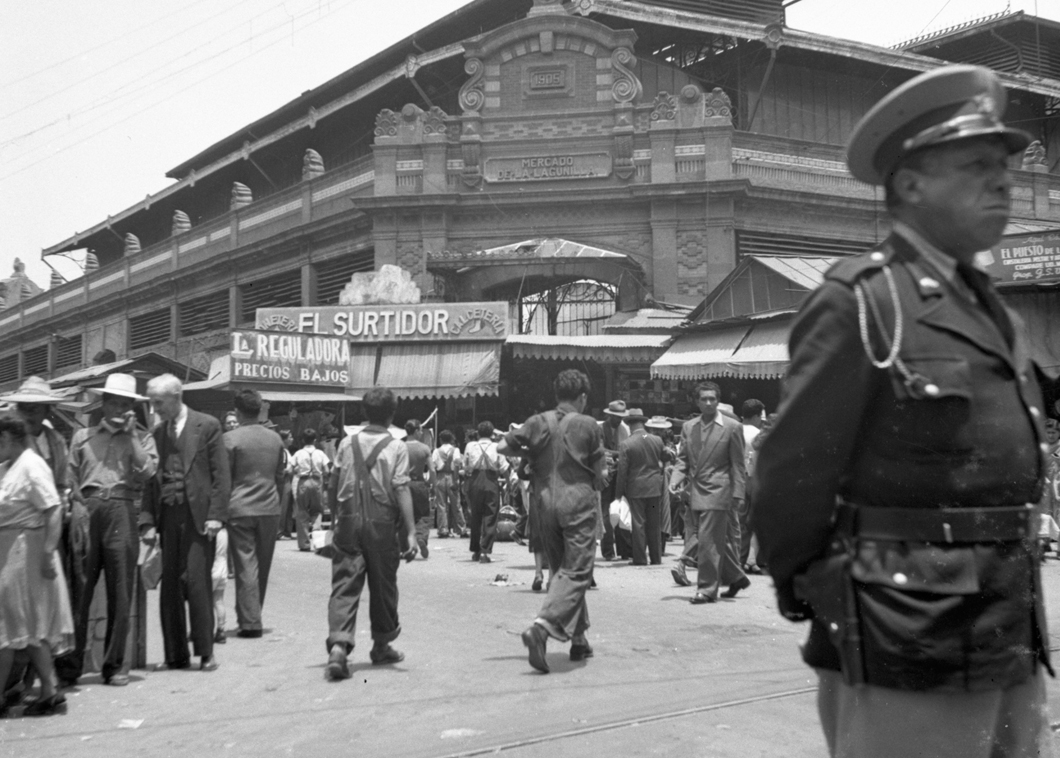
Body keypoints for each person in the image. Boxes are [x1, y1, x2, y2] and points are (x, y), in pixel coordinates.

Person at [753, 65, 1054, 758]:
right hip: (906, 630)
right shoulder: (864, 301)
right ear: (911, 184)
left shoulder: (989, 308)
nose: (1003, 180)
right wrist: (815, 588)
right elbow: (791, 470)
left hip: (1009, 621)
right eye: (977, 164)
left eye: (1004, 164)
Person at [500, 369, 606, 674]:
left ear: (557, 393)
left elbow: (503, 447)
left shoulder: (536, 421)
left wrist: (532, 453)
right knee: (577, 571)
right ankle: (543, 627)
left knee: (561, 573)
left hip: (543, 503)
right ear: (583, 397)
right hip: (578, 504)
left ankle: (579, 638)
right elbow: (600, 477)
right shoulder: (588, 425)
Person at [65, 373, 158, 687]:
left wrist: (131, 437)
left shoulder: (143, 438)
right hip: (87, 509)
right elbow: (70, 479)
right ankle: (69, 667)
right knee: (81, 590)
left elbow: (147, 473)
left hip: (122, 510)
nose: (119, 408)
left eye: (125, 403)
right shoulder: (82, 437)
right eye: (114, 402)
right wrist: (77, 506)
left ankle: (115, 666)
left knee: (121, 592)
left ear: (133, 407)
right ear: (103, 404)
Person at [325, 387, 417, 679]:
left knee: (344, 585)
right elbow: (401, 487)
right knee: (384, 586)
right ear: (392, 415)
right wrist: (411, 532)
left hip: (348, 522)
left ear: (364, 413)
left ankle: (339, 647)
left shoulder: (345, 443)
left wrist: (334, 519)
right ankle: (381, 646)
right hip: (382, 524)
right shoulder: (397, 446)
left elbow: (333, 483)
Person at [141, 374, 230, 673]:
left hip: (199, 519)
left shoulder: (207, 426)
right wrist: (148, 521)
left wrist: (216, 514)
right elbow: (151, 482)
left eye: (159, 403)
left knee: (197, 584)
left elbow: (221, 475)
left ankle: (206, 653)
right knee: (169, 590)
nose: (155, 409)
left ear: (176, 396)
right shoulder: (156, 434)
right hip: (168, 516)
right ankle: (175, 654)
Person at [4, 378, 77, 684]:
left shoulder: (54, 442)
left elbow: (63, 482)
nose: (31, 415)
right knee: (20, 616)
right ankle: (23, 682)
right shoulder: (9, 446)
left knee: (40, 612)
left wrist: (66, 499)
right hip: (17, 540)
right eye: (26, 409)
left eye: (37, 409)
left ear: (47, 410)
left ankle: (48, 679)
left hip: (43, 534)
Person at [669, 382, 747, 604]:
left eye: (713, 398)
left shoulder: (732, 427)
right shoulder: (689, 427)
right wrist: (675, 480)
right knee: (713, 539)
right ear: (697, 402)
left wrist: (738, 493)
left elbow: (738, 465)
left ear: (718, 400)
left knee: (707, 540)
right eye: (704, 399)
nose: (709, 402)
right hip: (695, 490)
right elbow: (683, 458)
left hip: (719, 490)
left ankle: (707, 589)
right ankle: (737, 577)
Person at [223, 389, 286, 638]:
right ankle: (252, 614)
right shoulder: (275, 439)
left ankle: (250, 622)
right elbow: (280, 477)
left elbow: (225, 480)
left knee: (245, 564)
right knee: (263, 564)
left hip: (240, 508)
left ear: (237, 412)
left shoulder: (230, 439)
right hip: (270, 508)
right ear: (260, 410)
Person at [614, 409, 670, 566]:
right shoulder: (656, 440)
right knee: (654, 523)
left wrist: (618, 494)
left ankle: (640, 559)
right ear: (643, 423)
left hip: (636, 488)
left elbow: (622, 472)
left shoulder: (626, 444)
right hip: (654, 487)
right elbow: (665, 456)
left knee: (638, 524)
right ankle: (656, 558)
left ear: (631, 425)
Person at [463, 421, 509, 564]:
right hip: (491, 481)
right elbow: (503, 467)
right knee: (490, 516)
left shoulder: (470, 446)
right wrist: (508, 482)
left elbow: (466, 466)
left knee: (475, 515)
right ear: (492, 434)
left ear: (478, 433)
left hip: (475, 480)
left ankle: (476, 551)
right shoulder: (497, 447)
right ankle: (485, 551)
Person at [597, 400, 630, 561]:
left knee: (621, 510)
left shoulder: (624, 429)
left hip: (620, 474)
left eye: (621, 417)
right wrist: (619, 454)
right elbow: (600, 450)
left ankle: (623, 549)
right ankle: (608, 550)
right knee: (605, 512)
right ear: (609, 415)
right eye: (616, 417)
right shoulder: (600, 429)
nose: (619, 420)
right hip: (606, 474)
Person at [290, 429, 330, 552]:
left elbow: (291, 470)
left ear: (302, 440)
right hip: (317, 482)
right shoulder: (320, 453)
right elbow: (327, 471)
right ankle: (317, 539)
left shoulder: (298, 453)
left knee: (302, 511)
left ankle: (304, 544)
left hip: (303, 482)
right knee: (317, 510)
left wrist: (298, 471)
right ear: (315, 440)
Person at [738, 399, 765, 573]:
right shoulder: (759, 434)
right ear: (756, 416)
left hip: (736, 480)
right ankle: (751, 559)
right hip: (753, 481)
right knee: (753, 523)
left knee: (738, 523)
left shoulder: (733, 430)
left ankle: (739, 561)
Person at [404, 420, 435, 560]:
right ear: (416, 431)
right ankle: (421, 537)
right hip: (419, 484)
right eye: (421, 430)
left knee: (403, 515)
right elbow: (432, 471)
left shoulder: (399, 447)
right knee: (422, 515)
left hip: (403, 485)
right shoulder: (424, 448)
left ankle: (403, 547)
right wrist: (430, 483)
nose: (422, 433)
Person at [432, 430, 465, 538]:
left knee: (441, 505)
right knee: (456, 504)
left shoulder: (436, 451)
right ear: (451, 439)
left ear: (440, 439)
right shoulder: (455, 450)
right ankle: (461, 528)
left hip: (440, 477)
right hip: (451, 476)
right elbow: (456, 465)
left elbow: (433, 466)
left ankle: (443, 529)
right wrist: (456, 480)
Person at [276, 430, 295, 540]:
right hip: (284, 481)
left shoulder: (286, 451)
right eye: (290, 437)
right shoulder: (282, 452)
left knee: (287, 507)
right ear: (284, 439)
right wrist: (288, 470)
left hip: (288, 480)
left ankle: (286, 531)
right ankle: (279, 532)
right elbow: (281, 468)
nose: (292, 439)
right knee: (283, 506)